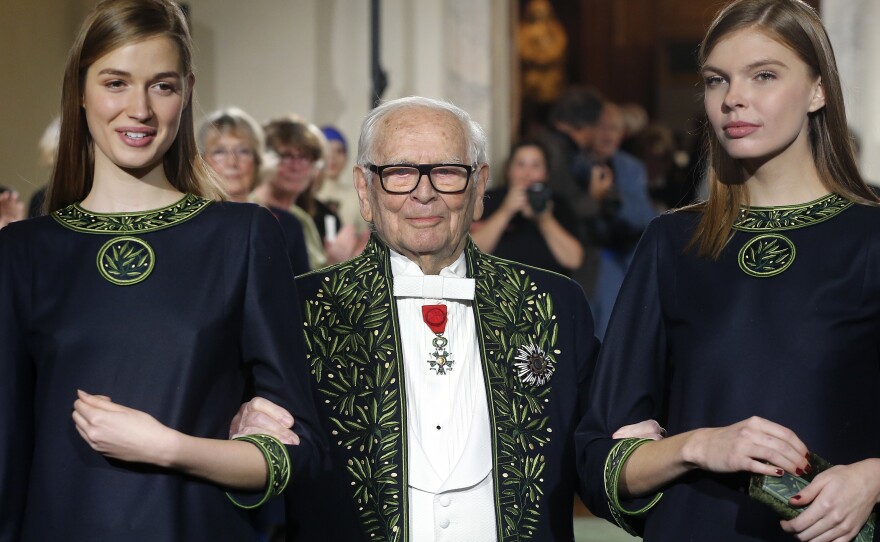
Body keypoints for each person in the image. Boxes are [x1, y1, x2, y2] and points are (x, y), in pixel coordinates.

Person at [229, 96, 661, 542]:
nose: (423, 191)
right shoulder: (301, 309)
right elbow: (264, 476)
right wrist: (241, 436)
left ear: (479, 187)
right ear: (364, 189)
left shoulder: (553, 305)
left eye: (448, 171)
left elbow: (596, 458)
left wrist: (640, 457)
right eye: (398, 172)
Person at [0, 1, 321, 540]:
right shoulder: (23, 252)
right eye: (116, 83)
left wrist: (167, 447)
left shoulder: (242, 236)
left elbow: (298, 451)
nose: (140, 109)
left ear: (187, 92)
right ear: (81, 92)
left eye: (162, 86)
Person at [576, 1, 880, 541]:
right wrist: (697, 446)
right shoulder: (672, 243)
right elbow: (599, 457)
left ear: (818, 90)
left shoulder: (872, 238)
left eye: (764, 75)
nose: (733, 97)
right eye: (717, 80)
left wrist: (872, 479)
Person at [198, 107, 310, 275]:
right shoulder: (190, 224)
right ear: (201, 161)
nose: (232, 162)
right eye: (219, 152)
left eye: (243, 151)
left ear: (257, 161)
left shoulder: (286, 224)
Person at [587, 102, 656, 338]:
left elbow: (644, 218)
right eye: (602, 127)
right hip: (582, 261)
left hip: (619, 261)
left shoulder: (631, 169)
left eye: (614, 129)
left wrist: (610, 195)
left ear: (622, 134)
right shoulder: (575, 163)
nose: (607, 135)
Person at [471, 140, 583, 275]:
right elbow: (471, 254)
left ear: (546, 173)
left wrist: (544, 219)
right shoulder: (488, 200)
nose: (527, 173)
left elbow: (574, 260)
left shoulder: (559, 205)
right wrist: (506, 211)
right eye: (520, 164)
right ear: (508, 169)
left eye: (535, 166)